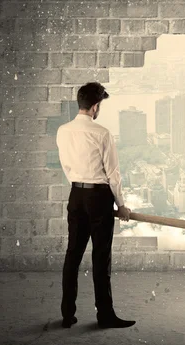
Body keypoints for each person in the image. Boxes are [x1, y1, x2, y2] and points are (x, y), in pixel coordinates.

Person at [56, 82, 136, 329]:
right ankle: (105, 315)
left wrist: (80, 188)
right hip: (99, 198)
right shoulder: (102, 133)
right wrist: (121, 205)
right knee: (101, 258)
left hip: (76, 195)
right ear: (95, 107)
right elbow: (113, 173)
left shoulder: (62, 131)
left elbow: (67, 167)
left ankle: (67, 315)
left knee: (73, 255)